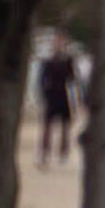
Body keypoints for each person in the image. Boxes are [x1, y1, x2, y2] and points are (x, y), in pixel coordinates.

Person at [38, 38, 77, 168]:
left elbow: (72, 79)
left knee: (65, 126)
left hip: (64, 94)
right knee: (47, 125)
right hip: (52, 95)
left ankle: (63, 153)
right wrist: (43, 93)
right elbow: (42, 79)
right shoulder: (48, 61)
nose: (58, 47)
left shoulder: (68, 61)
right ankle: (45, 152)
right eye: (56, 44)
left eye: (61, 44)